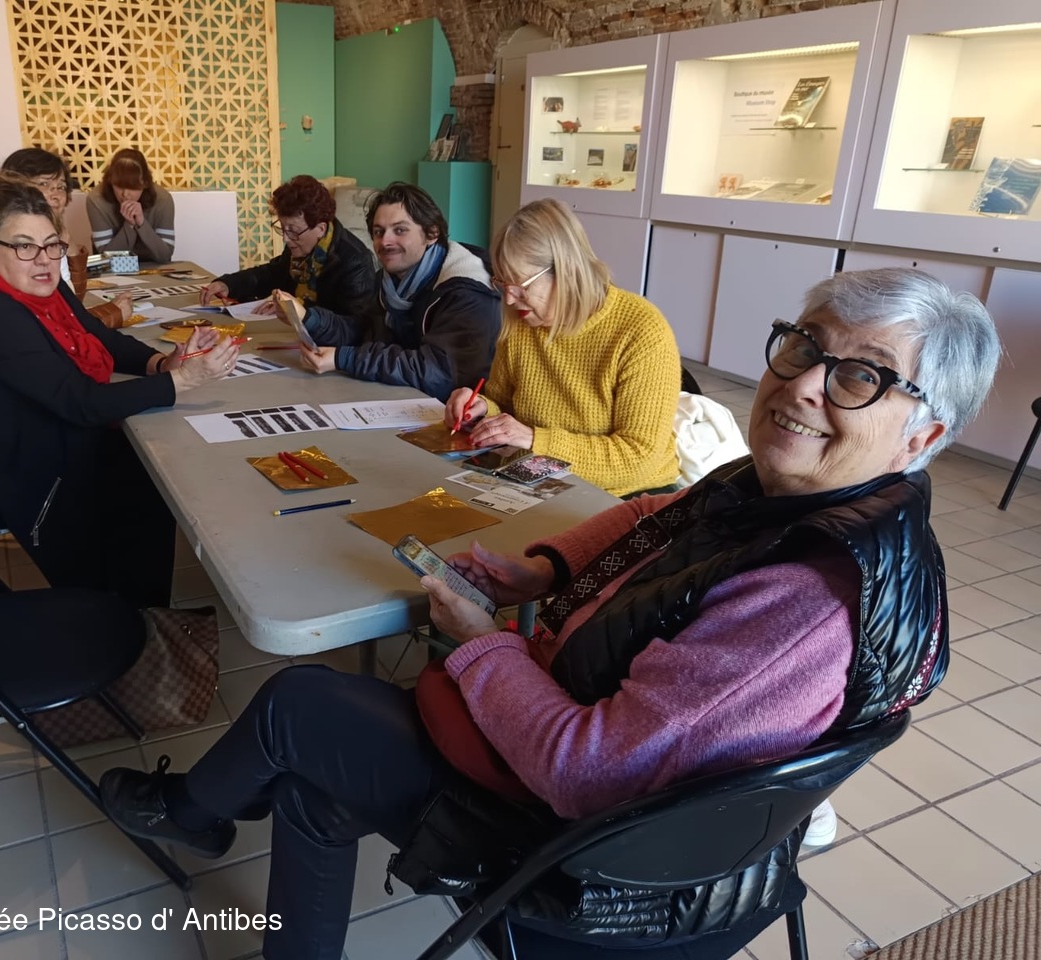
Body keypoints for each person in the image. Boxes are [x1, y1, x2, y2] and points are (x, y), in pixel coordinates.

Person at [98, 267, 1000, 959]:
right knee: (310, 780)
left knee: (301, 707)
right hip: (610, 790)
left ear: (923, 435)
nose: (804, 385)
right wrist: (537, 569)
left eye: (861, 377)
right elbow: (652, 513)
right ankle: (207, 825)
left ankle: (191, 811)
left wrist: (482, 644)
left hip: (597, 863)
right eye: (805, 347)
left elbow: (586, 773)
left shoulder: (804, 599)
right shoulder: (786, 494)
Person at [0, 173, 240, 608]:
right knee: (152, 475)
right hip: (22, 470)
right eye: (24, 247)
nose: (44, 261)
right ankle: (131, 617)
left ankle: (139, 606)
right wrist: (182, 381)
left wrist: (160, 363)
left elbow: (97, 334)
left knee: (154, 458)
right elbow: (81, 403)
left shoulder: (35, 290)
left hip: (37, 433)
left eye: (52, 245)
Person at [444, 198, 680, 497]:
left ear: (567, 271)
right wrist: (480, 409)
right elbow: (502, 403)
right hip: (541, 477)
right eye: (502, 285)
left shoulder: (641, 330)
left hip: (628, 493)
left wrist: (534, 440)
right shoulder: (522, 322)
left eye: (521, 287)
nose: (510, 299)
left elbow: (638, 458)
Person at [288, 181, 500, 402]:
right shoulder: (390, 279)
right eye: (378, 232)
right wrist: (308, 318)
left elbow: (438, 373)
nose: (385, 241)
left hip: (452, 412)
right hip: (402, 402)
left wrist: (345, 358)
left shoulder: (468, 292)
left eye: (400, 230)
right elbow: (363, 331)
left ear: (432, 233)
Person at [200, 175, 374, 317]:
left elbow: (351, 328)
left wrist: (297, 311)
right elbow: (271, 274)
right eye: (283, 229)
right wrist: (228, 284)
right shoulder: (300, 247)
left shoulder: (355, 262)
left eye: (293, 231)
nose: (286, 238)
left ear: (321, 228)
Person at [0, 146, 134, 328]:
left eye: (61, 187)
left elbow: (71, 304)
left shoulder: (55, 234)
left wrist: (69, 246)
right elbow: (51, 327)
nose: (56, 195)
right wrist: (112, 313)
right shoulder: (12, 245)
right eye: (44, 184)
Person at [86, 148, 176, 263]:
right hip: (113, 268)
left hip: (154, 265)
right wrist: (129, 225)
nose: (125, 194)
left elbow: (165, 255)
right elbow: (106, 258)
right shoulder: (97, 200)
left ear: (145, 183)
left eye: (132, 187)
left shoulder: (163, 200)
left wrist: (142, 224)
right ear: (110, 181)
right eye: (119, 186)